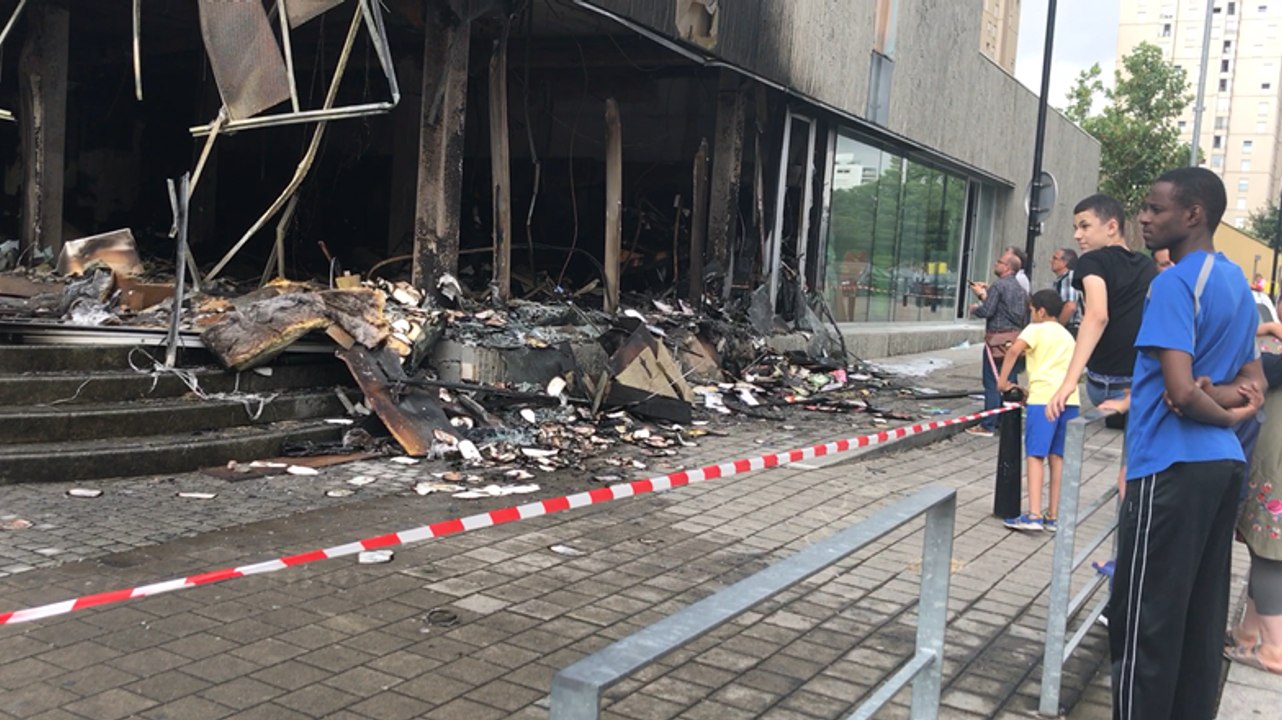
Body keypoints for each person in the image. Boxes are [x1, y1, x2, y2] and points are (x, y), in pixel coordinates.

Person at [1108, 167, 1264, 720]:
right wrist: (1238, 403)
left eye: (1155, 209)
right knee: (1199, 622)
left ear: (1193, 214)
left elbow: (1179, 393)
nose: (1144, 218)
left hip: (1171, 466)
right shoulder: (1235, 284)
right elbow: (1254, 380)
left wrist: (1214, 407)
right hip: (1223, 471)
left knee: (1144, 622)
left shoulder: (1173, 284)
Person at [1047, 194, 1157, 497]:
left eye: (1084, 226)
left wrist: (1068, 382)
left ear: (1111, 226)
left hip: (1105, 383)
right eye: (1075, 227)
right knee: (1133, 462)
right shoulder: (1147, 267)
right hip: (1139, 382)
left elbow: (1097, 315)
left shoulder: (1092, 261)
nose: (1077, 235)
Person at [994, 290, 1079, 531]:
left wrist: (1002, 382)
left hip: (1044, 399)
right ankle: (1053, 515)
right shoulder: (1067, 336)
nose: (1031, 314)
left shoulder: (1035, 329)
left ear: (1040, 311)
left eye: (1032, 310)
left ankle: (1033, 515)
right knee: (1058, 457)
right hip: (1070, 399)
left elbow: (1013, 351)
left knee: (1035, 455)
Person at [967, 255, 1029, 437]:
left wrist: (975, 307)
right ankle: (1008, 421)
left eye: (999, 262)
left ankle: (988, 424)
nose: (996, 264)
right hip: (1014, 340)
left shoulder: (999, 286)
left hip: (996, 341)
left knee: (992, 382)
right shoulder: (1020, 290)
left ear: (1008, 268)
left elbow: (988, 310)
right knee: (1009, 380)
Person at [1050, 248, 1082, 336]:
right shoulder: (1061, 280)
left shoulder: (1069, 278)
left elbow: (1070, 306)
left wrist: (1057, 329)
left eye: (1055, 258)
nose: (1050, 261)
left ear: (1065, 262)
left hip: (1069, 329)